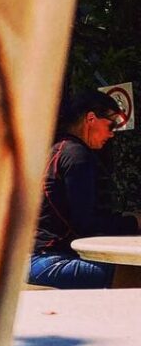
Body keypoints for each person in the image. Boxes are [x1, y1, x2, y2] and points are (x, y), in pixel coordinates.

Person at [29, 90, 141, 288]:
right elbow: (87, 224)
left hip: (35, 260)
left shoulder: (57, 149)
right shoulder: (77, 154)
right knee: (133, 271)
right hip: (51, 262)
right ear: (91, 119)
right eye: (110, 125)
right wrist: (134, 222)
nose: (112, 133)